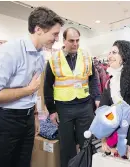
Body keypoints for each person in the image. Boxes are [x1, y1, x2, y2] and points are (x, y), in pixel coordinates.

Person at [0, 7, 64, 167]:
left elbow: (34, 90)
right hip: (2, 120)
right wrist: (27, 90)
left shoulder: (39, 55)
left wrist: (35, 115)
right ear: (38, 29)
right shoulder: (10, 52)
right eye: (55, 34)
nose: (57, 39)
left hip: (27, 119)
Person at [44, 27, 100, 167]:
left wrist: (97, 97)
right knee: (67, 145)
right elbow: (47, 86)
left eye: (77, 40)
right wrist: (52, 110)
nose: (75, 44)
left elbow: (93, 78)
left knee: (87, 141)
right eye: (71, 41)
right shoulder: (54, 59)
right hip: (64, 107)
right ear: (64, 41)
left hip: (85, 105)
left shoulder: (86, 56)